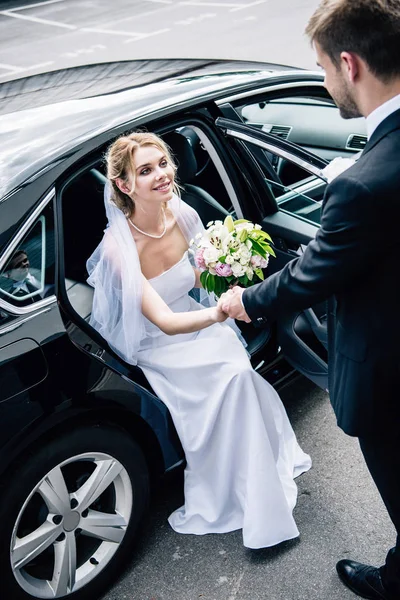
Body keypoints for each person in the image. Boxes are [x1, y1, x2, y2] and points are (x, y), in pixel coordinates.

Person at [221, 0, 400, 596]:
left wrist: (246, 301)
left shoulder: (362, 185)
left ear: (349, 64)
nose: (323, 82)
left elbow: (309, 278)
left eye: (322, 68)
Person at [86, 131, 311, 550]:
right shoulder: (118, 250)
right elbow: (166, 322)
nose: (161, 175)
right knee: (230, 376)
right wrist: (223, 310)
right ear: (123, 185)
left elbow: (195, 275)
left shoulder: (181, 212)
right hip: (161, 342)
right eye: (145, 170)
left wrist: (229, 266)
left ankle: (256, 479)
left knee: (238, 371)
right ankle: (229, 491)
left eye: (164, 164)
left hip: (198, 320)